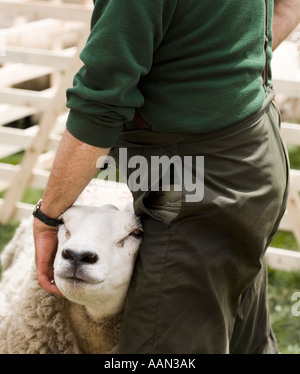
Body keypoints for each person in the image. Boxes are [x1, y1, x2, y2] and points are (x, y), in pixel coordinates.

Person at [33, 0, 300, 354]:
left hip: (197, 184)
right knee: (242, 341)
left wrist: (48, 216)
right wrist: (228, 71)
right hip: (254, 152)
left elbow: (100, 103)